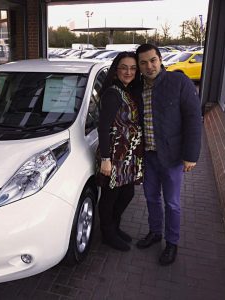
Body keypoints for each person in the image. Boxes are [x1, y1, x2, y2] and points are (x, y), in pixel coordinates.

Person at [135, 43, 202, 265]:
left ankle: (172, 242)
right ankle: (155, 233)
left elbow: (193, 118)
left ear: (160, 59)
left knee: (172, 203)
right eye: (143, 62)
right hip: (149, 156)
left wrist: (191, 155)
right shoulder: (138, 87)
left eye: (152, 60)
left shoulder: (178, 82)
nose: (149, 66)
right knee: (151, 197)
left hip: (172, 157)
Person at [96, 52, 144, 252]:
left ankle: (114, 227)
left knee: (127, 193)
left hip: (128, 155)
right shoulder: (112, 93)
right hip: (114, 155)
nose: (128, 72)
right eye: (124, 67)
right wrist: (106, 159)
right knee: (110, 196)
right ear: (116, 70)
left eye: (133, 68)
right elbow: (103, 127)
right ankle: (108, 234)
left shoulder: (129, 90)